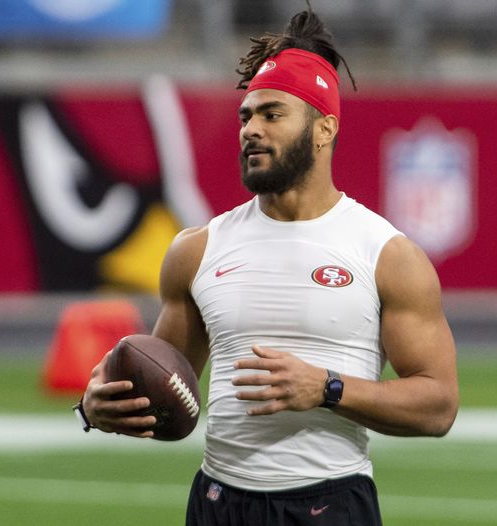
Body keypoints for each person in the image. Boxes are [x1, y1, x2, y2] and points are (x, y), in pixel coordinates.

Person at [77, 5, 458, 525]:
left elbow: (438, 405)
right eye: (245, 116)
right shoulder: (197, 249)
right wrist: (98, 408)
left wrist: (327, 387)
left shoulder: (387, 255)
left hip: (330, 504)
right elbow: (167, 388)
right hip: (217, 503)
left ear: (324, 129)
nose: (251, 129)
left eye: (272, 114)